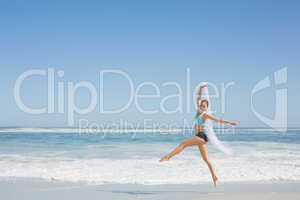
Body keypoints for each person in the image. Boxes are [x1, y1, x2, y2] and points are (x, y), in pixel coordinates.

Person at [159, 84, 238, 187]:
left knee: (183, 144)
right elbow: (198, 98)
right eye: (201, 105)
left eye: (204, 106)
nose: (202, 107)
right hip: (199, 137)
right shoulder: (198, 112)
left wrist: (231, 122)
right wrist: (201, 89)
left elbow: (219, 120)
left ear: (206, 108)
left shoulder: (205, 115)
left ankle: (168, 157)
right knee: (206, 159)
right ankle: (214, 176)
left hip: (202, 137)